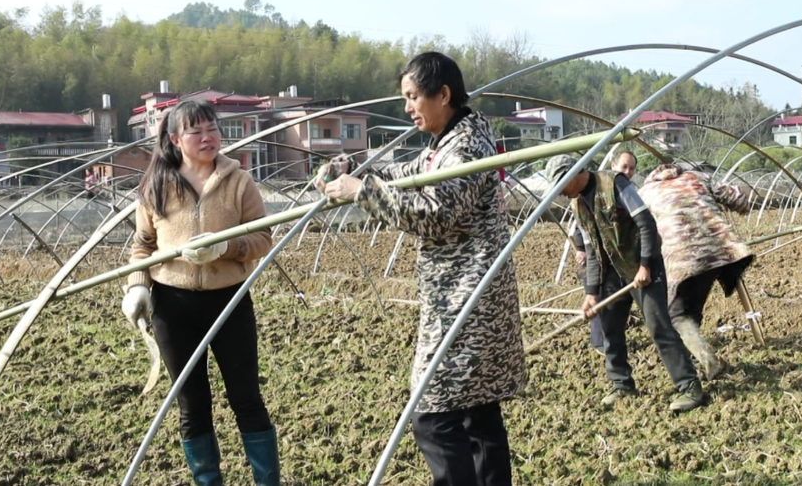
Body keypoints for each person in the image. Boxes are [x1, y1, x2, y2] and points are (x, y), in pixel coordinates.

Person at [316, 51, 526, 486]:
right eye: (405, 98)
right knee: (477, 414)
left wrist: (363, 192)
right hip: (465, 296)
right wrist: (355, 168)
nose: (408, 107)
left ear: (443, 94)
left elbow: (435, 212)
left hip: (469, 301)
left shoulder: (467, 144)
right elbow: (407, 170)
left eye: (413, 97)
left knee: (432, 417)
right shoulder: (445, 142)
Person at [121, 100, 278, 486]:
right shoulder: (156, 184)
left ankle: (268, 481)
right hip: (172, 307)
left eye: (212, 128)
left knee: (247, 399)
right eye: (196, 131)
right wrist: (138, 286)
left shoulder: (238, 181)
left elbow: (263, 236)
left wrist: (226, 248)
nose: (208, 137)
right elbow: (142, 245)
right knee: (193, 406)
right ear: (176, 139)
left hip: (229, 302)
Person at [545, 154, 704, 412]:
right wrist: (591, 292)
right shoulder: (577, 205)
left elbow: (646, 223)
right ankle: (622, 386)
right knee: (610, 329)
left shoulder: (615, 183)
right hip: (611, 272)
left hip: (642, 265)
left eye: (561, 185)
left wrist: (644, 265)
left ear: (574, 174)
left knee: (659, 326)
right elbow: (593, 250)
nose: (560, 193)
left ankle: (689, 386)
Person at [638, 162, 754, 380]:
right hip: (719, 251)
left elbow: (637, 229)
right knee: (689, 310)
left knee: (677, 316)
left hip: (683, 258)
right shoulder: (698, 178)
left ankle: (710, 363)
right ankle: (697, 358)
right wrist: (741, 204)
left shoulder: (644, 193)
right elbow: (738, 201)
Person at [570, 150, 639, 354]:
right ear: (613, 165)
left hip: (624, 261)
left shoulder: (628, 191)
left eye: (632, 168)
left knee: (615, 304)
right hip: (600, 260)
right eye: (624, 167)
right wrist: (581, 249)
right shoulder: (599, 189)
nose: (628, 172)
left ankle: (610, 342)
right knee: (599, 299)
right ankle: (601, 343)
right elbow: (581, 227)